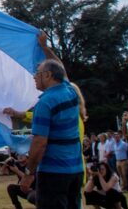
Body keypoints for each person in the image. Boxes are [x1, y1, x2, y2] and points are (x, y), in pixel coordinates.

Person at [21, 59, 83, 209]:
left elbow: (39, 142)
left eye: (37, 73)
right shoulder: (70, 91)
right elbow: (60, 68)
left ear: (48, 75)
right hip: (76, 170)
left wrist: (29, 173)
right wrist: (45, 48)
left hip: (53, 172)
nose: (34, 77)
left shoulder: (45, 103)